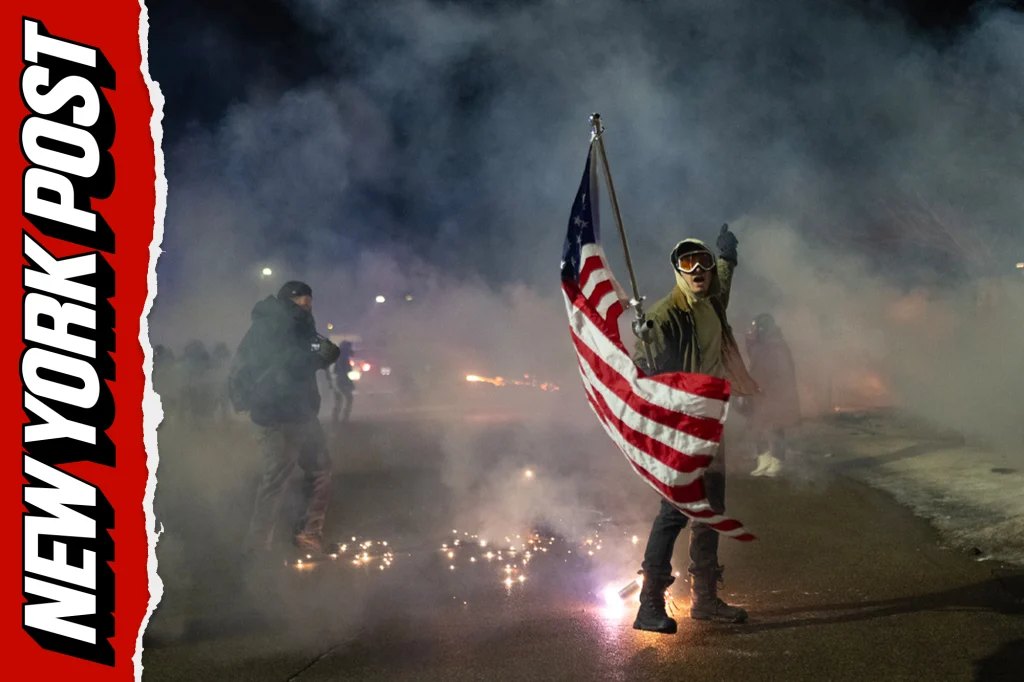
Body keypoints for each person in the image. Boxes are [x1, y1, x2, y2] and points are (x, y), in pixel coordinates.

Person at [632, 224, 759, 633]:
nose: (700, 268)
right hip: (681, 424)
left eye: (703, 261)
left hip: (711, 419)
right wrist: (647, 350)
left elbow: (723, 277)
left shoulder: (712, 300)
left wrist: (729, 256)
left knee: (711, 511)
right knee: (673, 512)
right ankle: (649, 605)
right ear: (678, 272)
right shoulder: (665, 314)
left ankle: (705, 599)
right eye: (689, 263)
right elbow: (642, 359)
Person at [231, 281, 340, 556]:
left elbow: (325, 350)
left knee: (320, 470)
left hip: (301, 412)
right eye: (302, 300)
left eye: (309, 300)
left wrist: (321, 353)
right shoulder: (271, 325)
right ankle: (256, 548)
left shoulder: (300, 326)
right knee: (277, 479)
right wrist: (318, 356)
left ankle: (309, 534)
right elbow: (295, 362)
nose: (307, 305)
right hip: (278, 414)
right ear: (290, 300)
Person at [744, 314, 800, 477]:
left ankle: (778, 459)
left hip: (773, 393)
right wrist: (751, 340)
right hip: (759, 392)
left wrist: (775, 390)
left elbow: (782, 371)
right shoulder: (760, 344)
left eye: (757, 327)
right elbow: (754, 358)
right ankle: (764, 458)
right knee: (757, 427)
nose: (754, 330)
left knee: (775, 426)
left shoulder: (777, 345)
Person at [330, 341, 355, 423]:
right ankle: (344, 417)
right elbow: (344, 369)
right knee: (348, 398)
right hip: (342, 379)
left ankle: (335, 417)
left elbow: (335, 369)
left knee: (339, 399)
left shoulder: (338, 355)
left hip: (337, 379)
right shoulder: (343, 356)